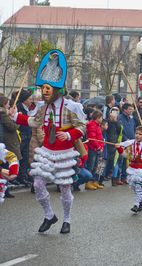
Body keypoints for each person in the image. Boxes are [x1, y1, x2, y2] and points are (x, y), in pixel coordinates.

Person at [9, 49, 86, 234]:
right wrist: (15, 116)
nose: (43, 92)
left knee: (65, 188)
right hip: (46, 151)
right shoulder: (42, 107)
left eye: (47, 89)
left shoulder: (72, 106)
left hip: (65, 153)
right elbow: (34, 121)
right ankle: (49, 215)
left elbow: (82, 127)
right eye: (42, 88)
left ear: (57, 89)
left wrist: (69, 135)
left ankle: (67, 220)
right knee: (37, 184)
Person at [0, 96, 22, 192]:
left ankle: (6, 188)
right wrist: (16, 118)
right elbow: (12, 126)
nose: (9, 105)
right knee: (8, 166)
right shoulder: (2, 113)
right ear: (3, 104)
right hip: (7, 143)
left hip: (8, 143)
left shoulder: (5, 113)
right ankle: (4, 188)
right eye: (8, 103)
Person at [16, 89, 33, 187]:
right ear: (24, 100)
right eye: (29, 99)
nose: (31, 100)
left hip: (28, 135)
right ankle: (16, 176)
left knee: (25, 157)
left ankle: (22, 177)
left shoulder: (29, 109)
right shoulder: (18, 108)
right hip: (20, 135)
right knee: (18, 156)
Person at [86, 110, 105, 189]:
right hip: (92, 148)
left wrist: (101, 147)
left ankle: (94, 181)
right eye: (101, 117)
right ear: (97, 118)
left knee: (96, 166)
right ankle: (88, 182)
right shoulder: (92, 125)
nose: (102, 119)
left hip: (97, 149)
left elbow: (99, 137)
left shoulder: (98, 125)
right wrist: (98, 147)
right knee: (91, 166)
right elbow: (92, 138)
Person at [118, 103, 136, 183]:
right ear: (124, 110)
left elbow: (134, 128)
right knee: (121, 160)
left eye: (132, 109)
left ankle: (124, 177)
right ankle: (118, 177)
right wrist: (125, 138)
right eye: (129, 109)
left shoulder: (131, 118)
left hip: (131, 141)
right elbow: (119, 130)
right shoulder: (120, 118)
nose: (131, 110)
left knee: (127, 160)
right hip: (123, 141)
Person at [105, 107, 122, 186]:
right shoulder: (106, 121)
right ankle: (100, 178)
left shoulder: (118, 122)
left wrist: (115, 121)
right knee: (105, 162)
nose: (114, 114)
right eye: (113, 112)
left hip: (116, 144)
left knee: (115, 162)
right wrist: (111, 121)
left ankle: (114, 178)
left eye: (116, 112)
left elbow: (119, 130)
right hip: (107, 144)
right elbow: (106, 130)